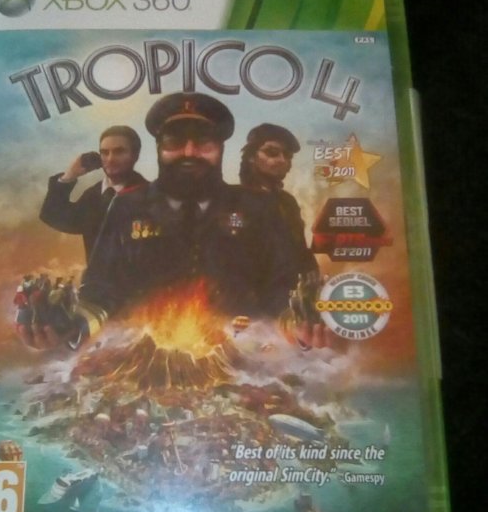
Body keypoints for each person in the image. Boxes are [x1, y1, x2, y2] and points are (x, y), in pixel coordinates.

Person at [21, 93, 300, 349]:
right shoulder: (127, 206)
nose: (189, 152)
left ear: (220, 148)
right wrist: (75, 324)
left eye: (203, 143)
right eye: (174, 142)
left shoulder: (257, 208)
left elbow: (281, 285)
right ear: (159, 148)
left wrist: (299, 322)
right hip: (144, 359)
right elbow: (101, 288)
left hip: (244, 359)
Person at [40, 125, 147, 261]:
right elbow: (53, 216)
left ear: (135, 155)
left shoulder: (151, 196)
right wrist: (70, 175)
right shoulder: (93, 196)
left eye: (119, 152)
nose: (110, 159)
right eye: (104, 153)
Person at [239, 123, 318, 276]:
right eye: (272, 152)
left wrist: (310, 267)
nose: (282, 160)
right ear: (251, 157)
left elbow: (300, 249)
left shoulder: (288, 203)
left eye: (288, 156)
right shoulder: (233, 200)